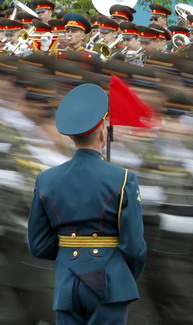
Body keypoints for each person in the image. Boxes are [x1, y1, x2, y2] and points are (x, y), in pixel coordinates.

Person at [27, 83, 147, 324]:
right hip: (109, 279)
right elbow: (134, 246)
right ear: (103, 134)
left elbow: (38, 246)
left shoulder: (46, 179)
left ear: (71, 136)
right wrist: (123, 275)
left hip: (66, 280)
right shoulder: (123, 178)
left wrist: (71, 254)